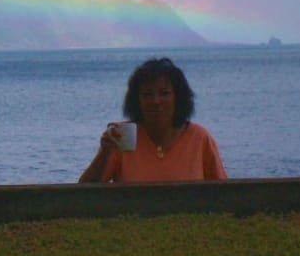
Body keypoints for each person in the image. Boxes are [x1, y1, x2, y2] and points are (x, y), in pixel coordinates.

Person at [79, 57, 227, 183]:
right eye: (147, 94)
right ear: (137, 100)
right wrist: (105, 153)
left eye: (164, 93)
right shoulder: (120, 137)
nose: (156, 101)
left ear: (178, 97)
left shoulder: (200, 138)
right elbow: (83, 194)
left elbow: (224, 193)